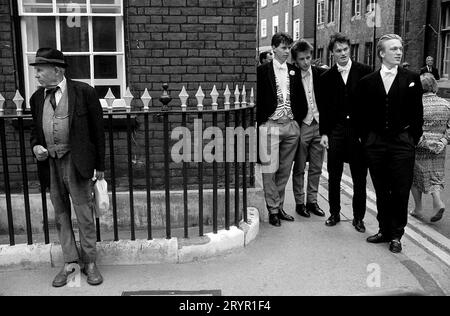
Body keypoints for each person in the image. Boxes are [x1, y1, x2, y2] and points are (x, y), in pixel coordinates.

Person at [29, 48, 106, 286]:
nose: (37, 75)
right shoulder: (36, 99)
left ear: (57, 70)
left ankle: (90, 262)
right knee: (61, 216)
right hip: (50, 163)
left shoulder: (84, 92)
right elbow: (35, 132)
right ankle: (70, 262)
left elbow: (98, 132)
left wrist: (100, 166)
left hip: (77, 162)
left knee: (84, 213)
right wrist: (36, 148)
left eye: (40, 70)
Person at [356, 34, 423, 254]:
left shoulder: (411, 78)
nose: (399, 52)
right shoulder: (368, 82)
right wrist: (366, 139)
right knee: (382, 190)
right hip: (376, 144)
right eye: (393, 49)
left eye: (400, 48)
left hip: (402, 144)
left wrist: (412, 137)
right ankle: (384, 230)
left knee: (401, 190)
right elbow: (362, 114)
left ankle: (396, 234)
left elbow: (417, 114)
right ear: (382, 53)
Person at [320, 33, 373, 232]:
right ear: (332, 53)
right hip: (336, 132)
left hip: (358, 133)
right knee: (334, 175)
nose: (342, 53)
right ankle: (334, 213)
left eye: (345, 49)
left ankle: (358, 218)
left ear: (349, 49)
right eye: (338, 50)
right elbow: (324, 108)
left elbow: (371, 106)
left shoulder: (365, 71)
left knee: (360, 177)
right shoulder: (326, 77)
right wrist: (324, 133)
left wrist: (366, 133)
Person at [257, 32, 307, 227]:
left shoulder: (293, 71)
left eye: (289, 47)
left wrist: (296, 121)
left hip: (291, 126)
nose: (287, 51)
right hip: (270, 125)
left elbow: (301, 98)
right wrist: (262, 122)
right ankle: (273, 209)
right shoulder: (262, 71)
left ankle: (278, 205)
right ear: (274, 48)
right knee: (270, 170)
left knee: (285, 170)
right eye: (284, 48)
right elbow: (259, 99)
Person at [290, 39, 327, 219]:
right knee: (299, 167)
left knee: (317, 167)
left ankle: (312, 201)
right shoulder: (292, 76)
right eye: (302, 59)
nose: (306, 62)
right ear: (295, 61)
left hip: (319, 125)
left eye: (308, 58)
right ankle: (299, 203)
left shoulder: (321, 74)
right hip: (302, 125)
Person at [410, 73, 450, 223]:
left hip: (420, 146)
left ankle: (418, 208)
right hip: (439, 147)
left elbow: (413, 128)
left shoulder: (416, 105)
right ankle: (438, 201)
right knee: (436, 175)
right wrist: (444, 141)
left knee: (416, 177)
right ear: (434, 85)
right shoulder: (446, 104)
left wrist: (424, 142)